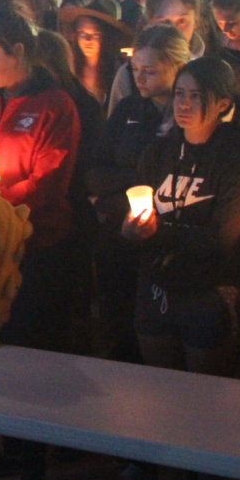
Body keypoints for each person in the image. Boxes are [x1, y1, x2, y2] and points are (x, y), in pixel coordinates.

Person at [121, 57, 240, 480]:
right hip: (156, 288)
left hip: (206, 292)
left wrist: (165, 239)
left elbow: (223, 238)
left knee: (207, 402)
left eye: (194, 96)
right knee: (166, 395)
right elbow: (136, 215)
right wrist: (132, 233)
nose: (182, 104)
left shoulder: (237, 161)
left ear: (222, 105)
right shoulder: (162, 153)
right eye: (179, 93)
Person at [0, 9, 81, 480]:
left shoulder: (56, 106)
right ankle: (11, 444)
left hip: (39, 246)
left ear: (20, 52)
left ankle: (37, 460)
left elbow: (50, 181)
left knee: (33, 351)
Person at [88, 24, 187, 366]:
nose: (140, 79)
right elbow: (95, 172)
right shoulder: (129, 108)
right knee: (117, 326)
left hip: (167, 243)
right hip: (117, 238)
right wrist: (135, 182)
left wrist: (120, 185)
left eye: (150, 71)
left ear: (177, 68)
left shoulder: (188, 116)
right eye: (135, 70)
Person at [60, 0, 132, 107]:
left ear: (106, 36)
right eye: (82, 33)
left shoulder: (119, 69)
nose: (88, 40)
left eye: (95, 34)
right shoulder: (68, 68)